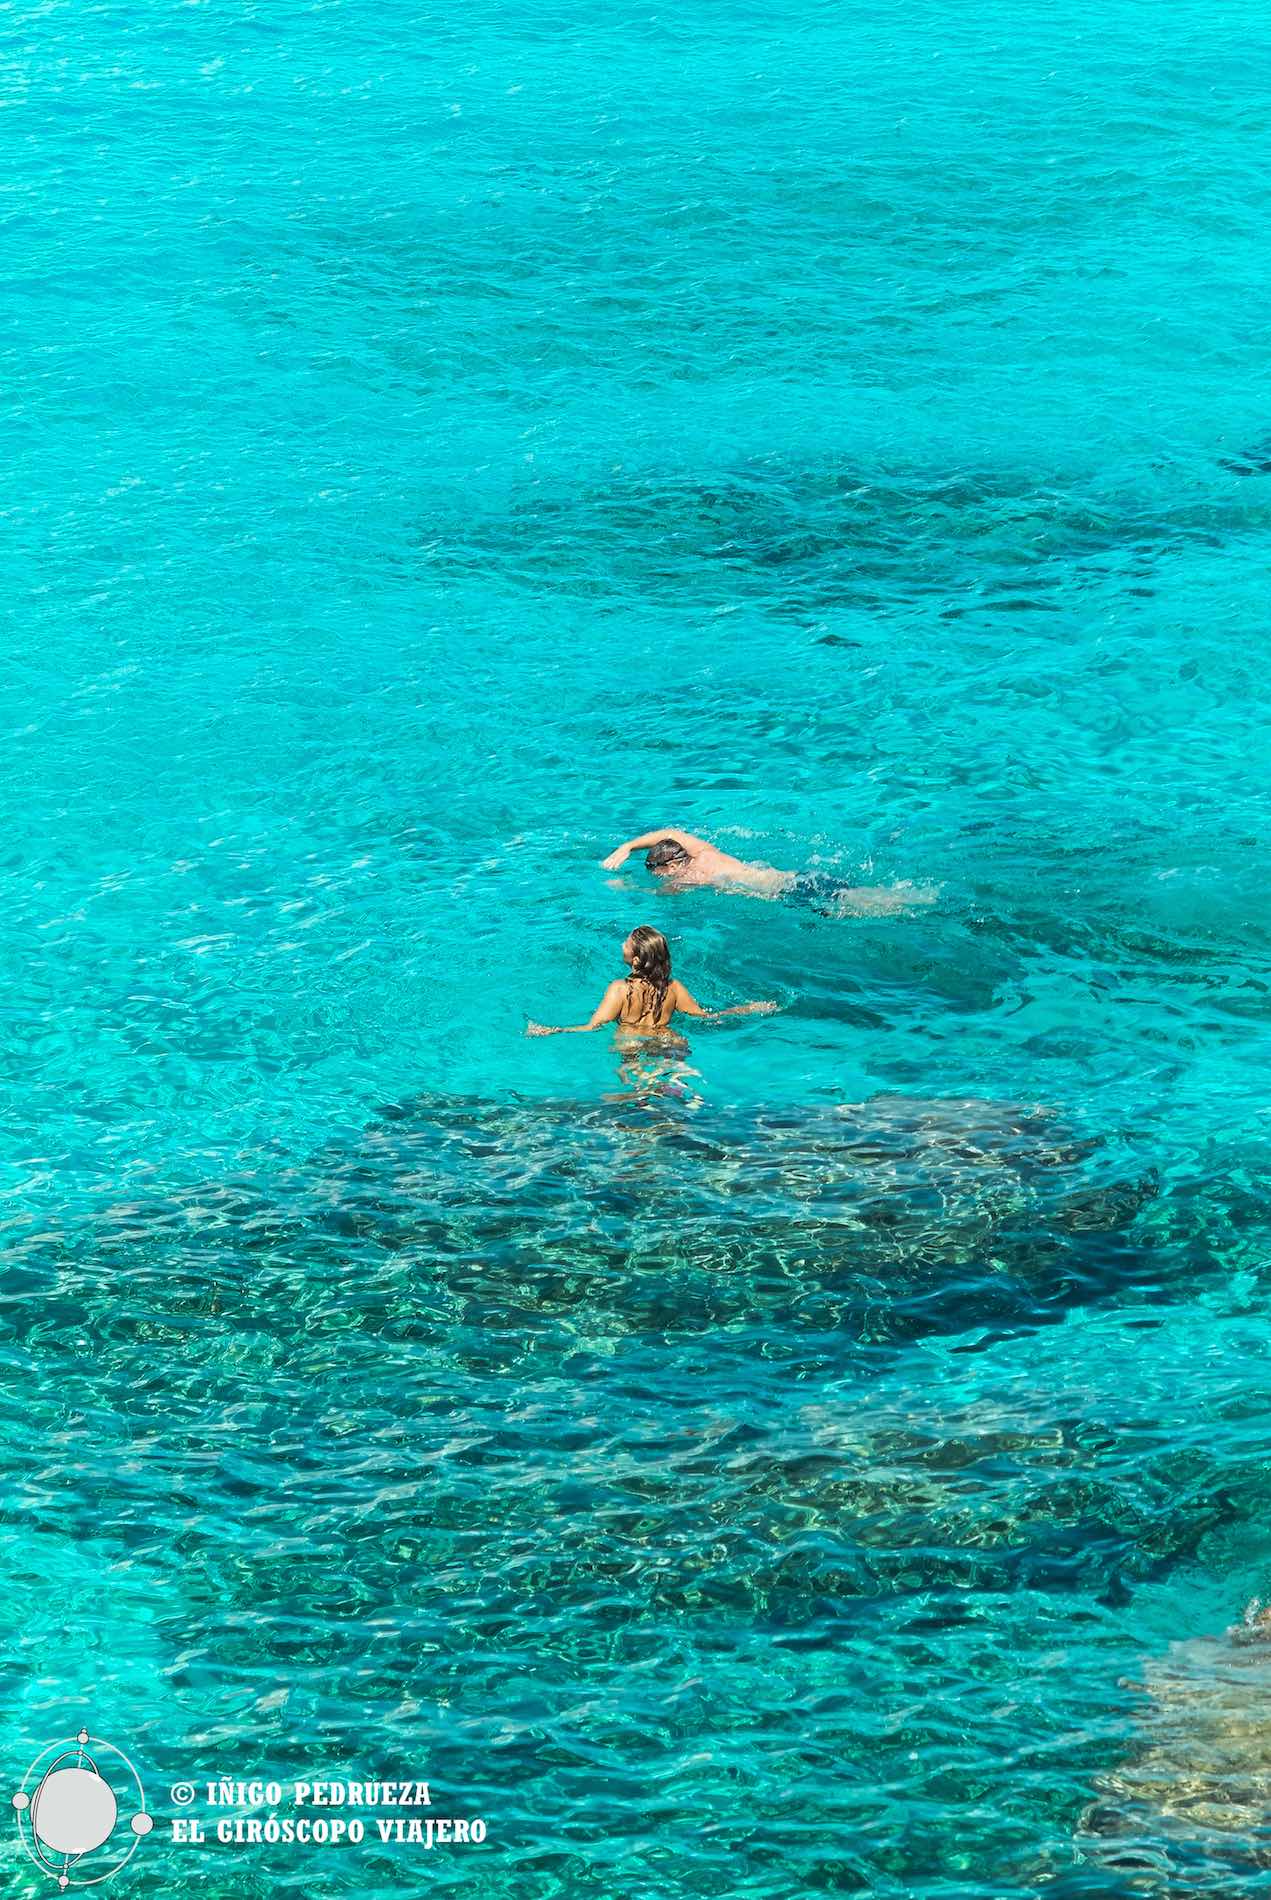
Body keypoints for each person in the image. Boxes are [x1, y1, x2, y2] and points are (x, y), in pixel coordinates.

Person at [600, 826, 930, 915]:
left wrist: (624, 888)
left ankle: (916, 903)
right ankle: (913, 897)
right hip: (793, 877)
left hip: (786, 894)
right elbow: (669, 830)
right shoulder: (702, 851)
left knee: (862, 906)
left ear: (671, 865)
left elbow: (659, 895)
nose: (662, 878)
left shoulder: (687, 877)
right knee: (851, 896)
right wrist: (627, 847)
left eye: (660, 872)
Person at [526, 925, 776, 1036]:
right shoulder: (673, 988)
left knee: (632, 1100)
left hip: (630, 1043)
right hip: (667, 1038)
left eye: (626, 943)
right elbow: (707, 1018)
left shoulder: (619, 989)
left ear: (635, 961)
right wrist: (748, 1009)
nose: (621, 944)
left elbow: (593, 1027)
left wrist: (554, 1030)